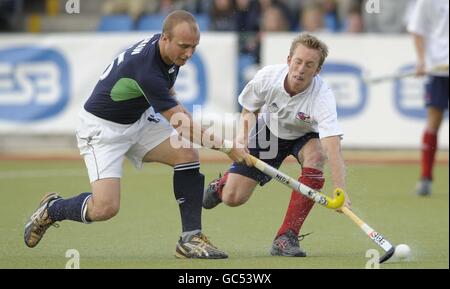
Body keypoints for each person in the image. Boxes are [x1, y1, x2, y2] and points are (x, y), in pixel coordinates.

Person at [23, 10, 250, 259]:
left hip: (138, 120)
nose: (189, 54)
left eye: (194, 47)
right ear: (165, 38)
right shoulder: (147, 69)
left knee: (186, 153)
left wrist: (185, 116)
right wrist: (228, 147)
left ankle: (190, 239)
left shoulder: (168, 54)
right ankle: (52, 209)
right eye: (184, 47)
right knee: (105, 208)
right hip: (103, 130)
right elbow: (183, 126)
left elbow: (172, 98)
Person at [203, 33, 351, 257]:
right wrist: (243, 139)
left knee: (317, 156)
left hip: (305, 136)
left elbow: (332, 146)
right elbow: (249, 108)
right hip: (269, 131)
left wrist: (340, 190)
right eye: (298, 61)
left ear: (317, 70)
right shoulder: (268, 77)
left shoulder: (322, 97)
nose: (301, 69)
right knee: (233, 199)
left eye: (309, 65)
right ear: (289, 59)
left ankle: (286, 237)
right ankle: (222, 184)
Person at [407, 0, 449, 196]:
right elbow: (417, 30)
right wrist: (421, 60)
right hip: (439, 68)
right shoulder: (427, 2)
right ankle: (425, 177)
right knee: (434, 121)